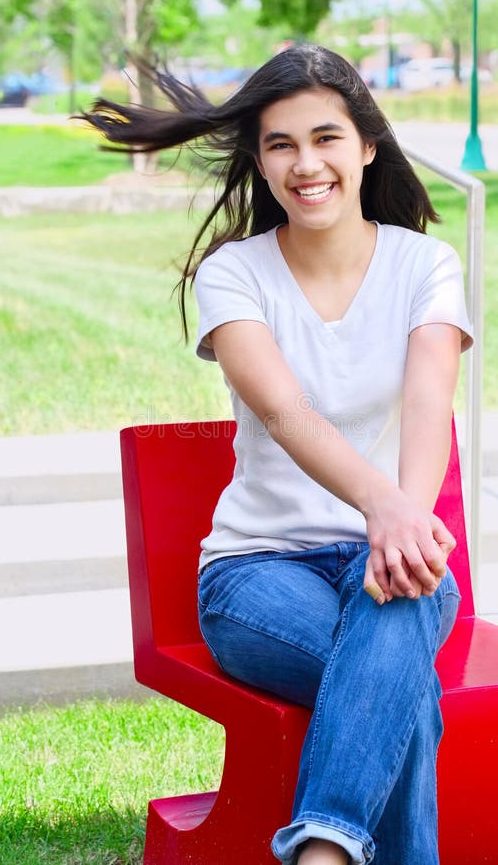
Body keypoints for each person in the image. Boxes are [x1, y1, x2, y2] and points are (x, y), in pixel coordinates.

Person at [82, 44, 473, 865]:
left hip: (395, 560)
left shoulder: (424, 264)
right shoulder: (234, 274)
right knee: (403, 687)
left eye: (326, 138)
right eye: (280, 145)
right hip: (256, 575)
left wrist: (397, 528)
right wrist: (388, 509)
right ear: (259, 162)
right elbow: (285, 411)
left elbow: (429, 399)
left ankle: (322, 850)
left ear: (367, 146)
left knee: (394, 638)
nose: (306, 164)